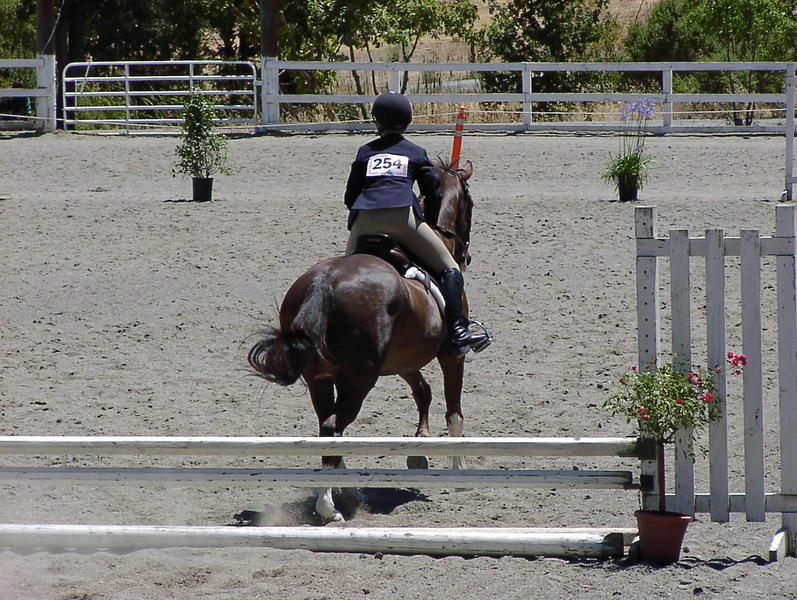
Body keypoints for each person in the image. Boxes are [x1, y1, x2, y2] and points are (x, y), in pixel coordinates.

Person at [343, 91, 492, 357]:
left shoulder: (365, 152)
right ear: (408, 120)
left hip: (363, 221)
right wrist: (427, 220)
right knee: (449, 267)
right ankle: (459, 332)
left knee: (346, 274)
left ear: (377, 120)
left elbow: (350, 197)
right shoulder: (415, 152)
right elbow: (434, 194)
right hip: (402, 218)